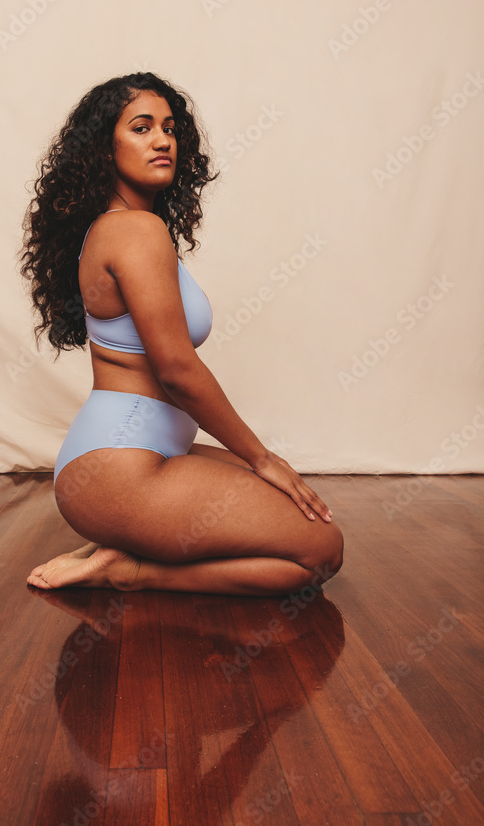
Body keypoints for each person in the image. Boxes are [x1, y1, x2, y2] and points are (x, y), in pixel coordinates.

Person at [20, 72, 343, 595]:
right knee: (321, 553)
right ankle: (131, 570)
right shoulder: (133, 231)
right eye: (141, 128)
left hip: (142, 458)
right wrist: (262, 457)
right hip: (120, 473)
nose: (162, 139)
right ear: (105, 149)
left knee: (307, 529)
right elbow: (176, 370)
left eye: (169, 128)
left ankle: (130, 545)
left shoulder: (129, 227)